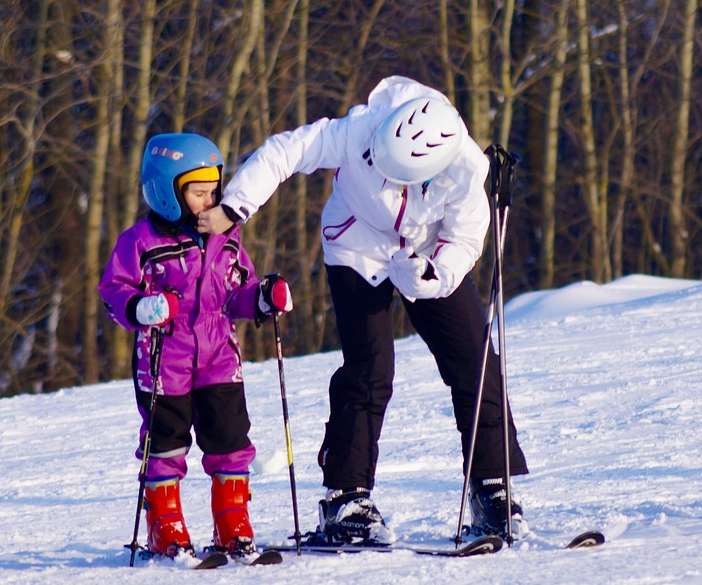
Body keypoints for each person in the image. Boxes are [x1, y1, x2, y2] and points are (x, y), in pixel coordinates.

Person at [198, 76, 528, 545]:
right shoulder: (362, 129)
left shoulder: (467, 170)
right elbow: (285, 151)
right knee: (371, 369)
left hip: (426, 251)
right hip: (356, 246)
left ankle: (493, 487)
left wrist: (437, 274)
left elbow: (467, 239)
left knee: (475, 365)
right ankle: (345, 498)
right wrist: (234, 206)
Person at [100, 133, 293, 558]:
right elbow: (113, 291)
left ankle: (232, 522)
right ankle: (164, 525)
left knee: (229, 438)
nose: (210, 202)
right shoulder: (141, 242)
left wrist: (262, 297)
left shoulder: (225, 237)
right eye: (198, 193)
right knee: (166, 443)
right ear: (167, 192)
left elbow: (236, 292)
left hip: (219, 357)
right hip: (163, 363)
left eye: (213, 192)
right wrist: (140, 307)